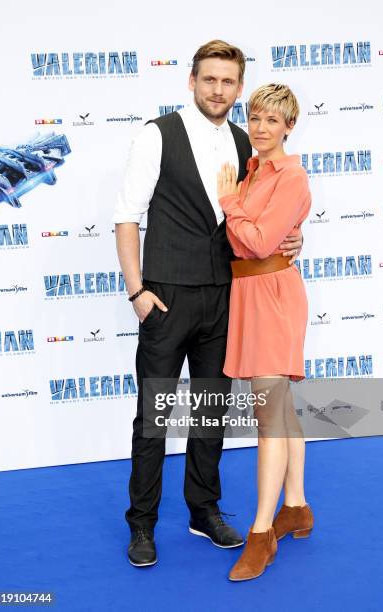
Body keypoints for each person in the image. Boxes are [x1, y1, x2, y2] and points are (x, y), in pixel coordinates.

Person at [113, 42, 303, 568]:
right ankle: (143, 523)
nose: (217, 90)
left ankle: (204, 509)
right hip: (166, 298)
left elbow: (267, 220)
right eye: (209, 80)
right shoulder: (157, 134)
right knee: (154, 416)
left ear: (239, 89)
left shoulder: (249, 145)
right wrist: (137, 292)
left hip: (226, 296)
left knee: (210, 412)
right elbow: (127, 216)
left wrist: (295, 240)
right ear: (192, 81)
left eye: (227, 82)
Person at [217, 83, 313, 582]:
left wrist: (231, 204)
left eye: (272, 121)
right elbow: (258, 239)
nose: (260, 128)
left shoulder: (291, 176)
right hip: (251, 295)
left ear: (289, 126)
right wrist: (242, 206)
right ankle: (295, 505)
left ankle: (261, 535)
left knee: (269, 416)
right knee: (279, 409)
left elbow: (254, 242)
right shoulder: (253, 171)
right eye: (254, 118)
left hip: (273, 297)